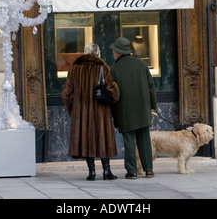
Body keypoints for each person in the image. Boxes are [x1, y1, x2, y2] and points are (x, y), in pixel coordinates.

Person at [61, 43, 119, 181]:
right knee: (103, 138)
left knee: (86, 139)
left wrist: (73, 110)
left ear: (85, 52)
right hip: (101, 111)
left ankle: (92, 172)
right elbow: (112, 91)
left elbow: (66, 94)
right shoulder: (103, 68)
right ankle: (106, 171)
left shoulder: (74, 68)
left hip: (82, 112)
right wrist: (115, 90)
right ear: (98, 53)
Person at [110, 37, 157, 179]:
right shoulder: (142, 64)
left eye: (114, 50)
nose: (113, 52)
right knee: (144, 139)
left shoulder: (114, 69)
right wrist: (152, 106)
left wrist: (112, 111)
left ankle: (132, 171)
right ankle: (148, 169)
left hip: (125, 110)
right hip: (143, 108)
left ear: (118, 52)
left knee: (129, 141)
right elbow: (151, 87)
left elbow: (113, 92)